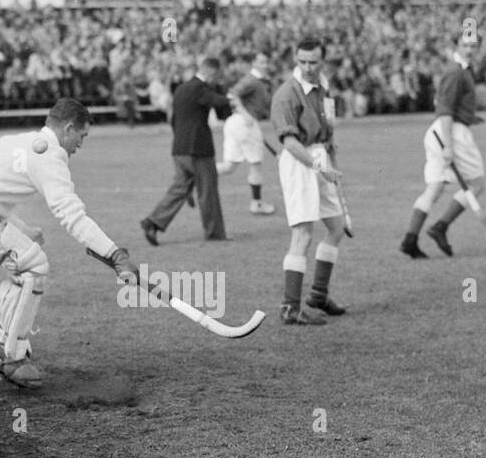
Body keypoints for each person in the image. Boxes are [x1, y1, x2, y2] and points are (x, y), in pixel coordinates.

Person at [0, 97, 138, 388]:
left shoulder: (26, 140)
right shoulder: (49, 155)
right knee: (33, 265)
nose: (81, 144)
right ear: (67, 129)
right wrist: (116, 254)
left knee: (25, 262)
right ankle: (10, 355)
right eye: (82, 136)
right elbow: (71, 215)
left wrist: (23, 227)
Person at [269, 38, 347, 325]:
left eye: (313, 62)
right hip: (299, 160)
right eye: (302, 61)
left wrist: (330, 146)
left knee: (336, 228)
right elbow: (290, 143)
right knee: (302, 234)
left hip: (319, 156)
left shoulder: (324, 85)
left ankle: (318, 295)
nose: (308, 67)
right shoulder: (286, 94)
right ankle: (290, 307)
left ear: (322, 60)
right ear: (295, 58)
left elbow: (328, 126)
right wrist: (320, 166)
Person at [401, 27, 485, 260]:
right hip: (450, 132)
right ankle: (440, 227)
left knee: (435, 187)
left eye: (474, 46)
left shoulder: (462, 71)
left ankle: (410, 239)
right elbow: (445, 111)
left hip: (442, 132)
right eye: (466, 45)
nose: (469, 50)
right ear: (457, 45)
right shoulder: (456, 72)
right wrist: (448, 145)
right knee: (477, 184)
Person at [140, 55, 232, 245]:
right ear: (210, 71)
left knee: (180, 189)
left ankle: (153, 222)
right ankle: (215, 233)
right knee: (207, 191)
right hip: (198, 149)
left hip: (180, 148)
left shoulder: (181, 88)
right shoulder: (200, 88)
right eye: (216, 76)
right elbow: (220, 102)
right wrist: (232, 95)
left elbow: (174, 119)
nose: (217, 79)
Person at [217, 51, 277, 216]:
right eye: (262, 62)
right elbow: (232, 94)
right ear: (254, 64)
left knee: (229, 166)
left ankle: (198, 177)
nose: (265, 65)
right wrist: (245, 113)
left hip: (236, 123)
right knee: (256, 165)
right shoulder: (251, 80)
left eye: (266, 62)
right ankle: (256, 203)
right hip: (244, 123)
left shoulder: (261, 81)